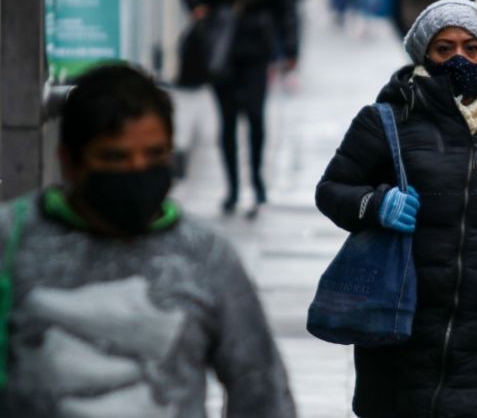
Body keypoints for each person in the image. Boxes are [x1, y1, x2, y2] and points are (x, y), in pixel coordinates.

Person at [0, 64, 297, 417]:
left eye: (155, 156)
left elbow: (261, 393)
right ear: (69, 161)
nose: (137, 170)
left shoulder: (206, 256)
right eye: (116, 157)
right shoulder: (11, 239)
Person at [315, 0, 477, 417]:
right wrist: (376, 204)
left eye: (471, 47)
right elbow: (332, 189)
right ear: (425, 53)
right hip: (399, 323)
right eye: (445, 48)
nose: (459, 57)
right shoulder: (388, 117)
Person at [184, 0, 299, 217]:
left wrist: (291, 48)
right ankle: (233, 187)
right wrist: (200, 9)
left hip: (256, 49)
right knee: (227, 119)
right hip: (221, 50)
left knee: (256, 116)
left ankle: (257, 183)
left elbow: (286, 9)